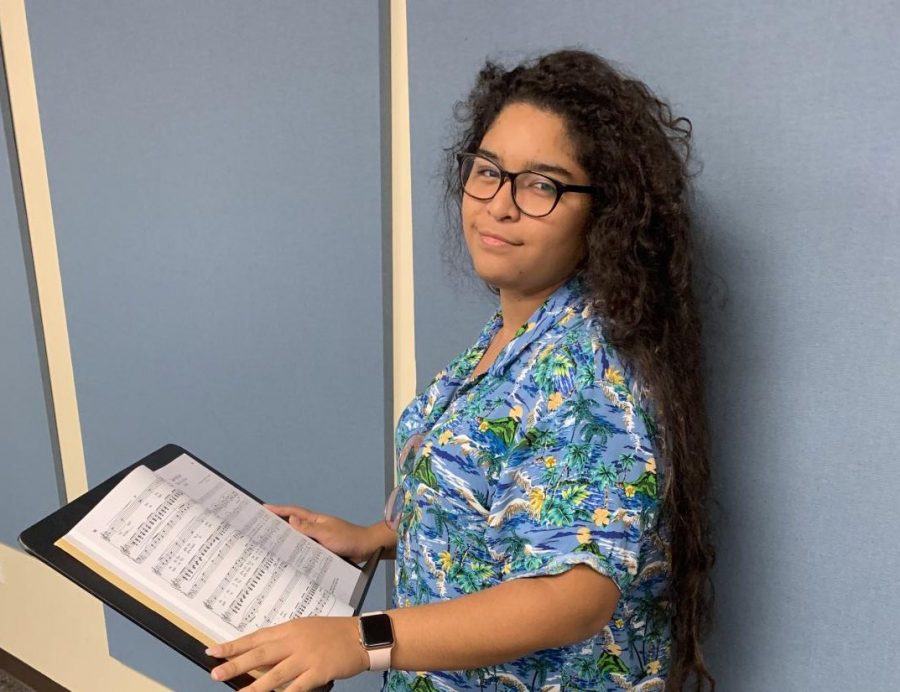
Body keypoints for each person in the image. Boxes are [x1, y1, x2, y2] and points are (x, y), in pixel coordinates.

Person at [206, 49, 715, 691]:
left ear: (603, 211)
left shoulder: (588, 368)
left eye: (541, 184)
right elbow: (496, 510)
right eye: (488, 171)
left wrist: (361, 640)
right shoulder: (518, 328)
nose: (499, 205)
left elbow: (575, 596)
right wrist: (375, 537)